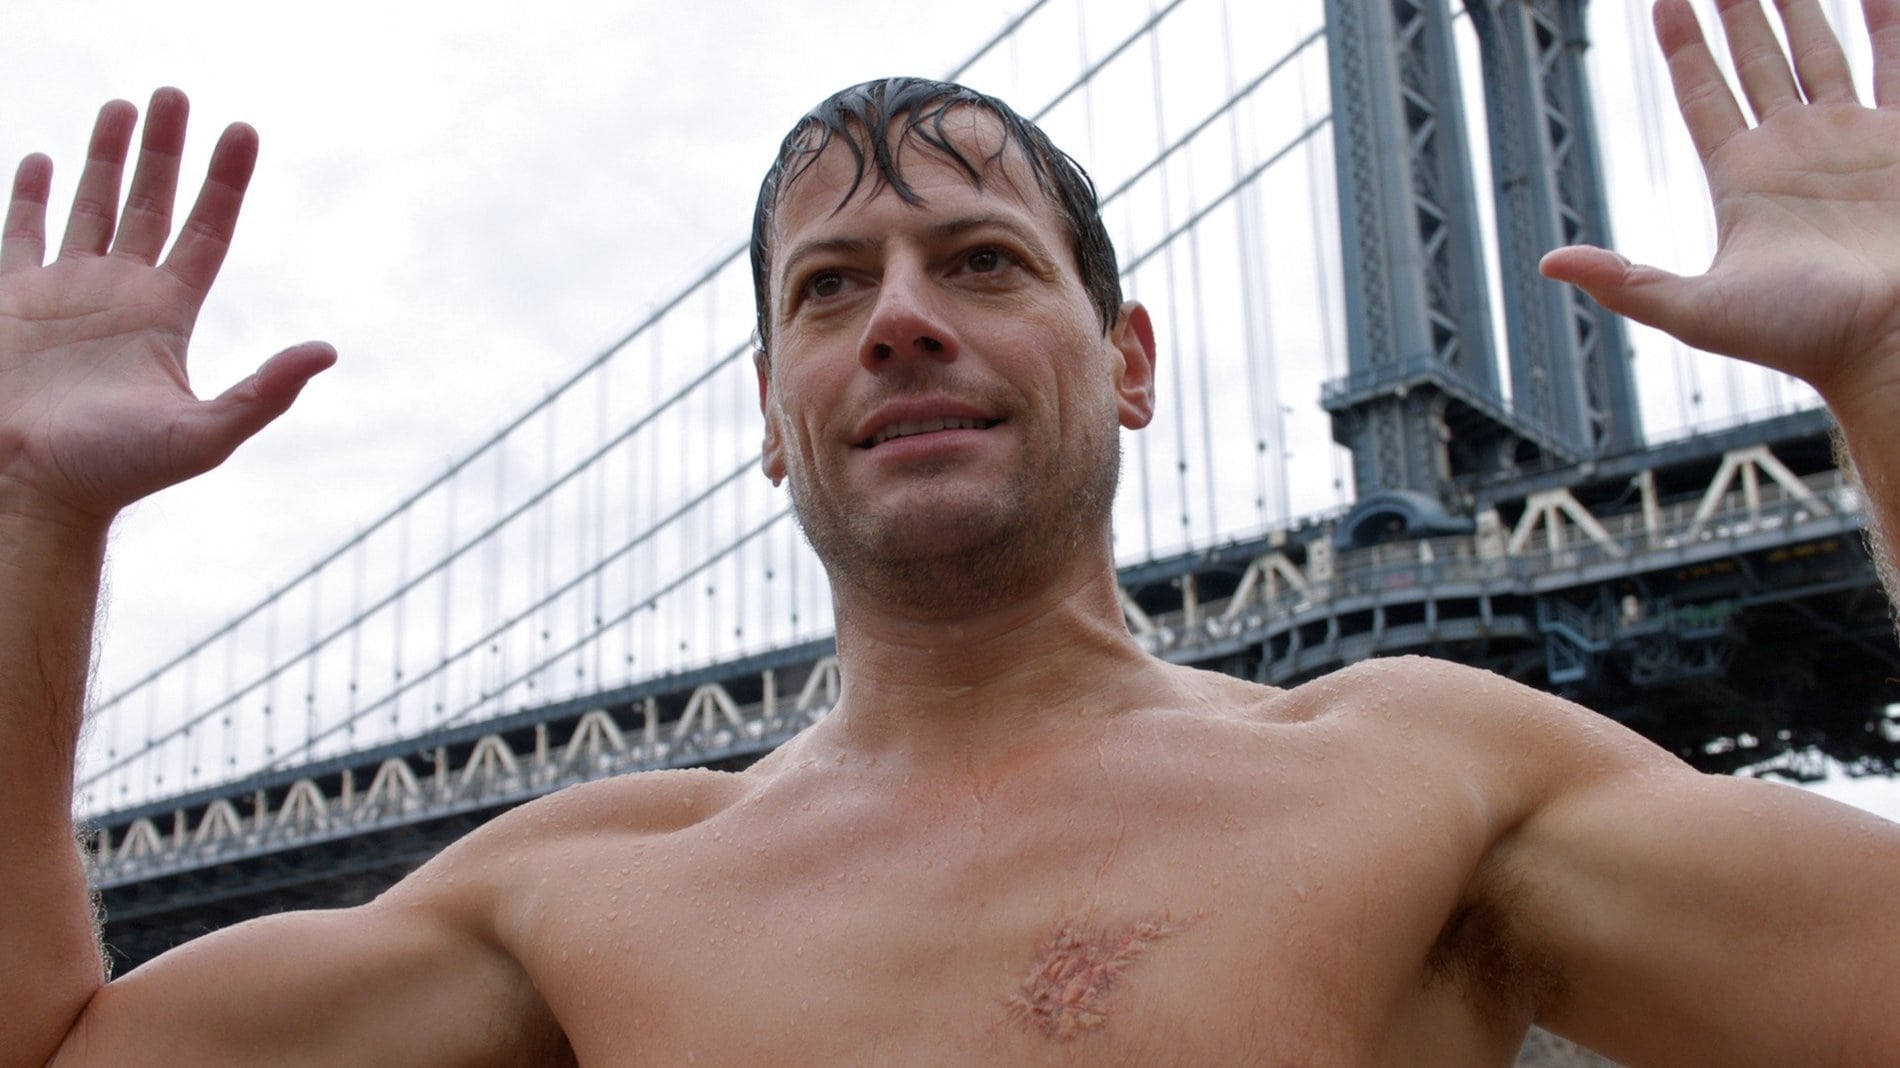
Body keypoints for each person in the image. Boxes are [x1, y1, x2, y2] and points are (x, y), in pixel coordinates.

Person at [5, 0, 1898, 1063]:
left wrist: (1892, 363)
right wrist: (29, 514)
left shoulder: (1429, 782)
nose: (901, 317)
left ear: (1129, 362)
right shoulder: (573, 894)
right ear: (770, 419)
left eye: (982, 262)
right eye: (829, 290)